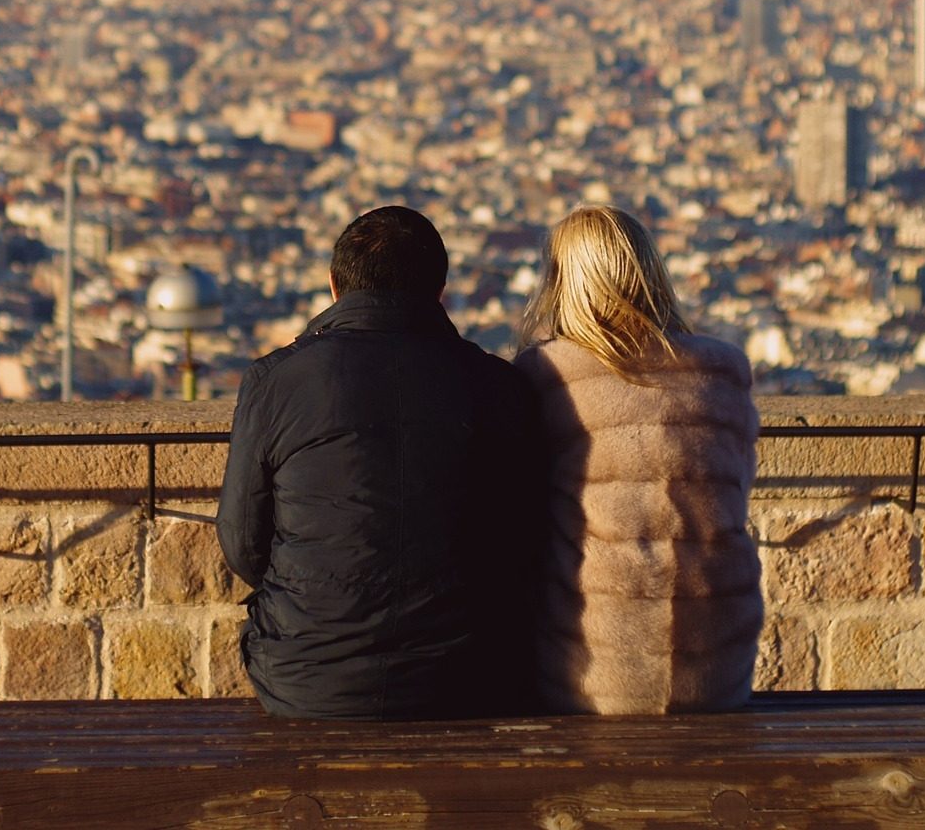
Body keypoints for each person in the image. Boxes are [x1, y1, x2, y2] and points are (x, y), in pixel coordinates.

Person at [217, 205, 544, 720]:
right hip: (466, 680)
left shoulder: (276, 382)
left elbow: (242, 545)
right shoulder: (496, 386)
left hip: (308, 680)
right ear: (440, 291)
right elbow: (520, 540)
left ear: (334, 287)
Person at [513, 205, 760, 714]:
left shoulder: (546, 374)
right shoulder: (721, 371)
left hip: (591, 670)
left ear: (565, 281)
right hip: (716, 669)